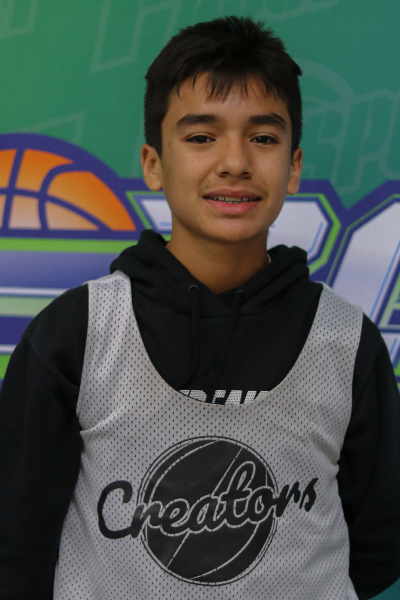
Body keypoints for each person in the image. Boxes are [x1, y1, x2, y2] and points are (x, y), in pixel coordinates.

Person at [0, 16, 399, 600]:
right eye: (201, 137)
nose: (235, 162)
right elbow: (17, 543)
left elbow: (378, 541)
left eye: (263, 138)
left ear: (294, 166)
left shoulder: (346, 342)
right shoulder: (77, 335)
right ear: (152, 163)